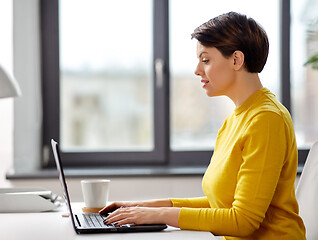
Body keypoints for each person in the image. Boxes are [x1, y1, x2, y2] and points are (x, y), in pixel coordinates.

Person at [100, 12, 306, 239]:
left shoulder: (266, 119)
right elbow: (223, 203)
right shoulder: (236, 119)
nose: (197, 70)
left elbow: (243, 220)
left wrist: (159, 214)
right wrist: (144, 208)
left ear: (237, 60)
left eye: (205, 59)